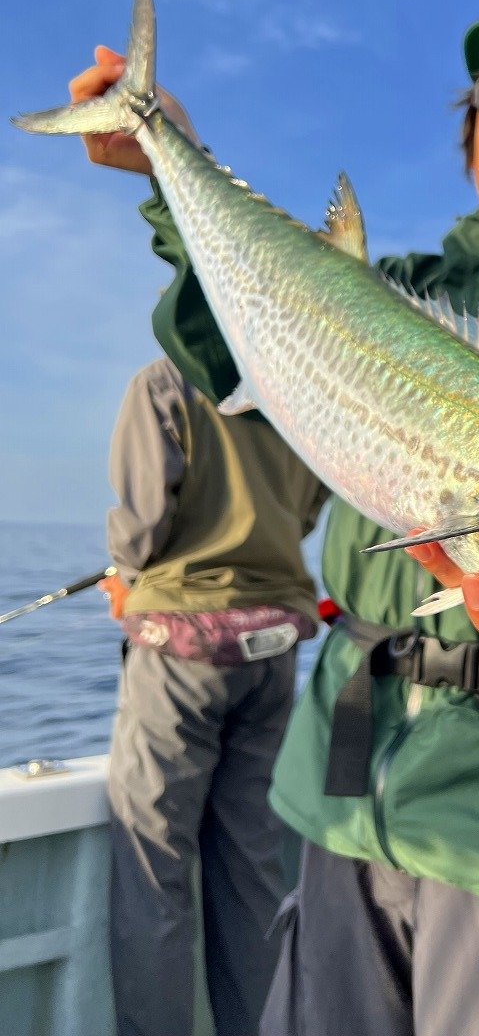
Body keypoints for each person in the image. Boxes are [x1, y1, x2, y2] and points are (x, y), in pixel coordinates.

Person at [70, 0, 479, 1036]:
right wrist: (168, 165)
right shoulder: (405, 284)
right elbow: (240, 350)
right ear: (472, 129)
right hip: (339, 799)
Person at [99, 354, 328, 1036]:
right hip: (272, 654)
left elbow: (141, 527)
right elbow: (308, 508)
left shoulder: (164, 383)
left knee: (154, 873)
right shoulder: (294, 386)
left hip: (182, 654)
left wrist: (126, 580)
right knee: (252, 874)